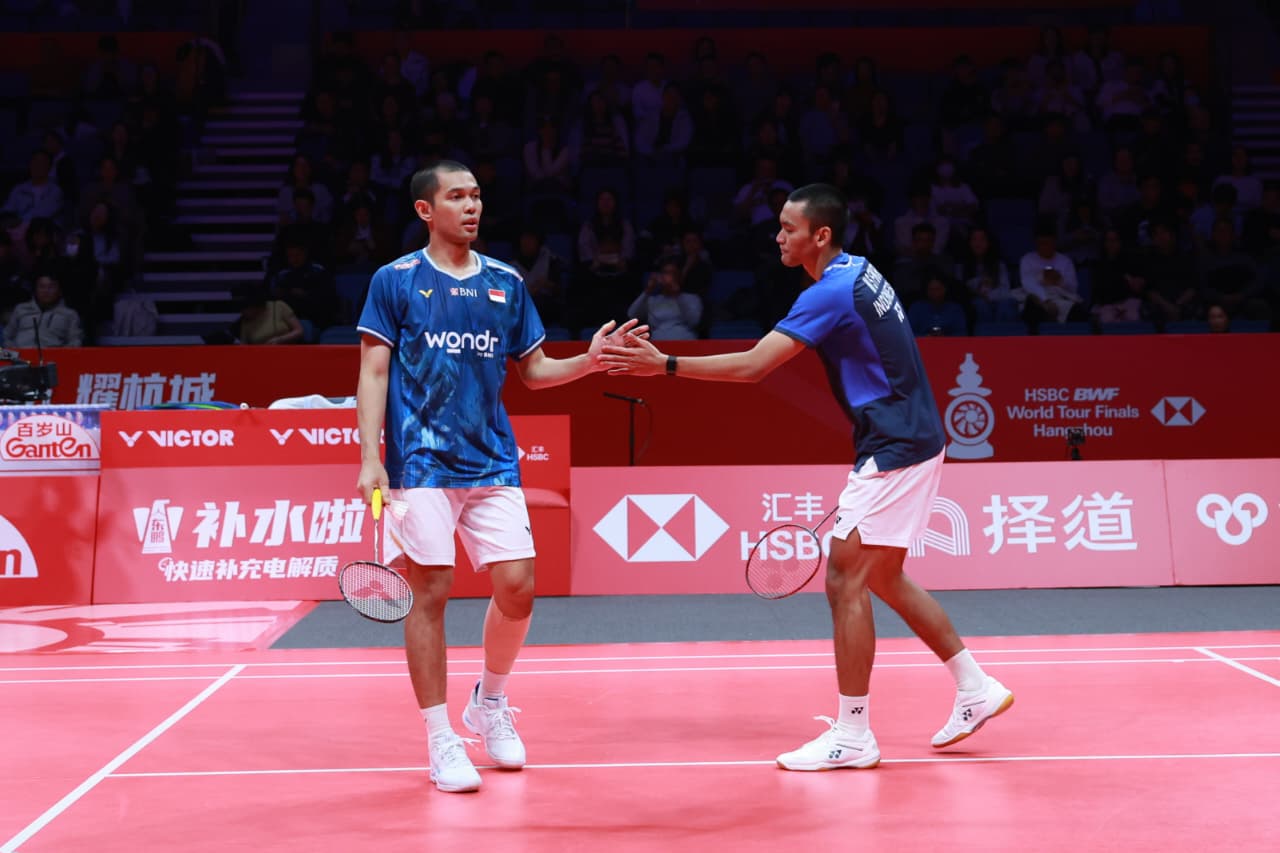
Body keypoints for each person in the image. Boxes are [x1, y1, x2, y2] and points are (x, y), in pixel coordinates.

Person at [600, 183, 1013, 771]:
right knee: (883, 574)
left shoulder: (831, 292)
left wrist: (663, 364)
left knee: (844, 578)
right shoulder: (858, 270)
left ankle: (853, 734)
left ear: (821, 235)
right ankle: (975, 687)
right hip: (911, 434)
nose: (777, 237)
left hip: (896, 444)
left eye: (788, 228)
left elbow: (753, 367)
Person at [354, 160, 644, 794]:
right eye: (457, 196)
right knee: (430, 593)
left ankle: (489, 702)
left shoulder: (506, 282)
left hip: (491, 459)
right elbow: (373, 371)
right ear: (426, 210)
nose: (471, 206)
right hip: (419, 461)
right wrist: (370, 456)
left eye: (477, 195)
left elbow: (534, 373)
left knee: (519, 587)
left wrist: (590, 361)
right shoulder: (395, 280)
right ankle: (440, 739)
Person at [4, 271, 83, 348]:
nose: (46, 291)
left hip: (54, 355)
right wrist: (15, 351)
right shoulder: (20, 309)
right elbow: (6, 336)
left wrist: (61, 354)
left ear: (59, 291)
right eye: (42, 287)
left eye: (51, 287)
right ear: (35, 290)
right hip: (21, 353)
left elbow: (75, 341)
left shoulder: (70, 314)